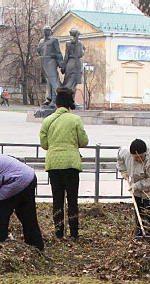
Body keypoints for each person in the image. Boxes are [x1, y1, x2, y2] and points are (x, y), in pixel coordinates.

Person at [40, 88, 88, 240]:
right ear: (69, 105)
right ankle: (74, 233)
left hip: (53, 165)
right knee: (72, 200)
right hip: (71, 164)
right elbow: (83, 141)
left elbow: (44, 144)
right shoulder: (75, 120)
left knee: (57, 200)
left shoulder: (47, 121)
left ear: (56, 104)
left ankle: (59, 232)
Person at [117, 139, 150, 237]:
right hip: (136, 187)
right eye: (136, 157)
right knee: (138, 210)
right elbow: (120, 158)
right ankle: (139, 232)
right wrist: (123, 171)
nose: (138, 159)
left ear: (145, 153)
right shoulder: (125, 152)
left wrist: (137, 185)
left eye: (141, 157)